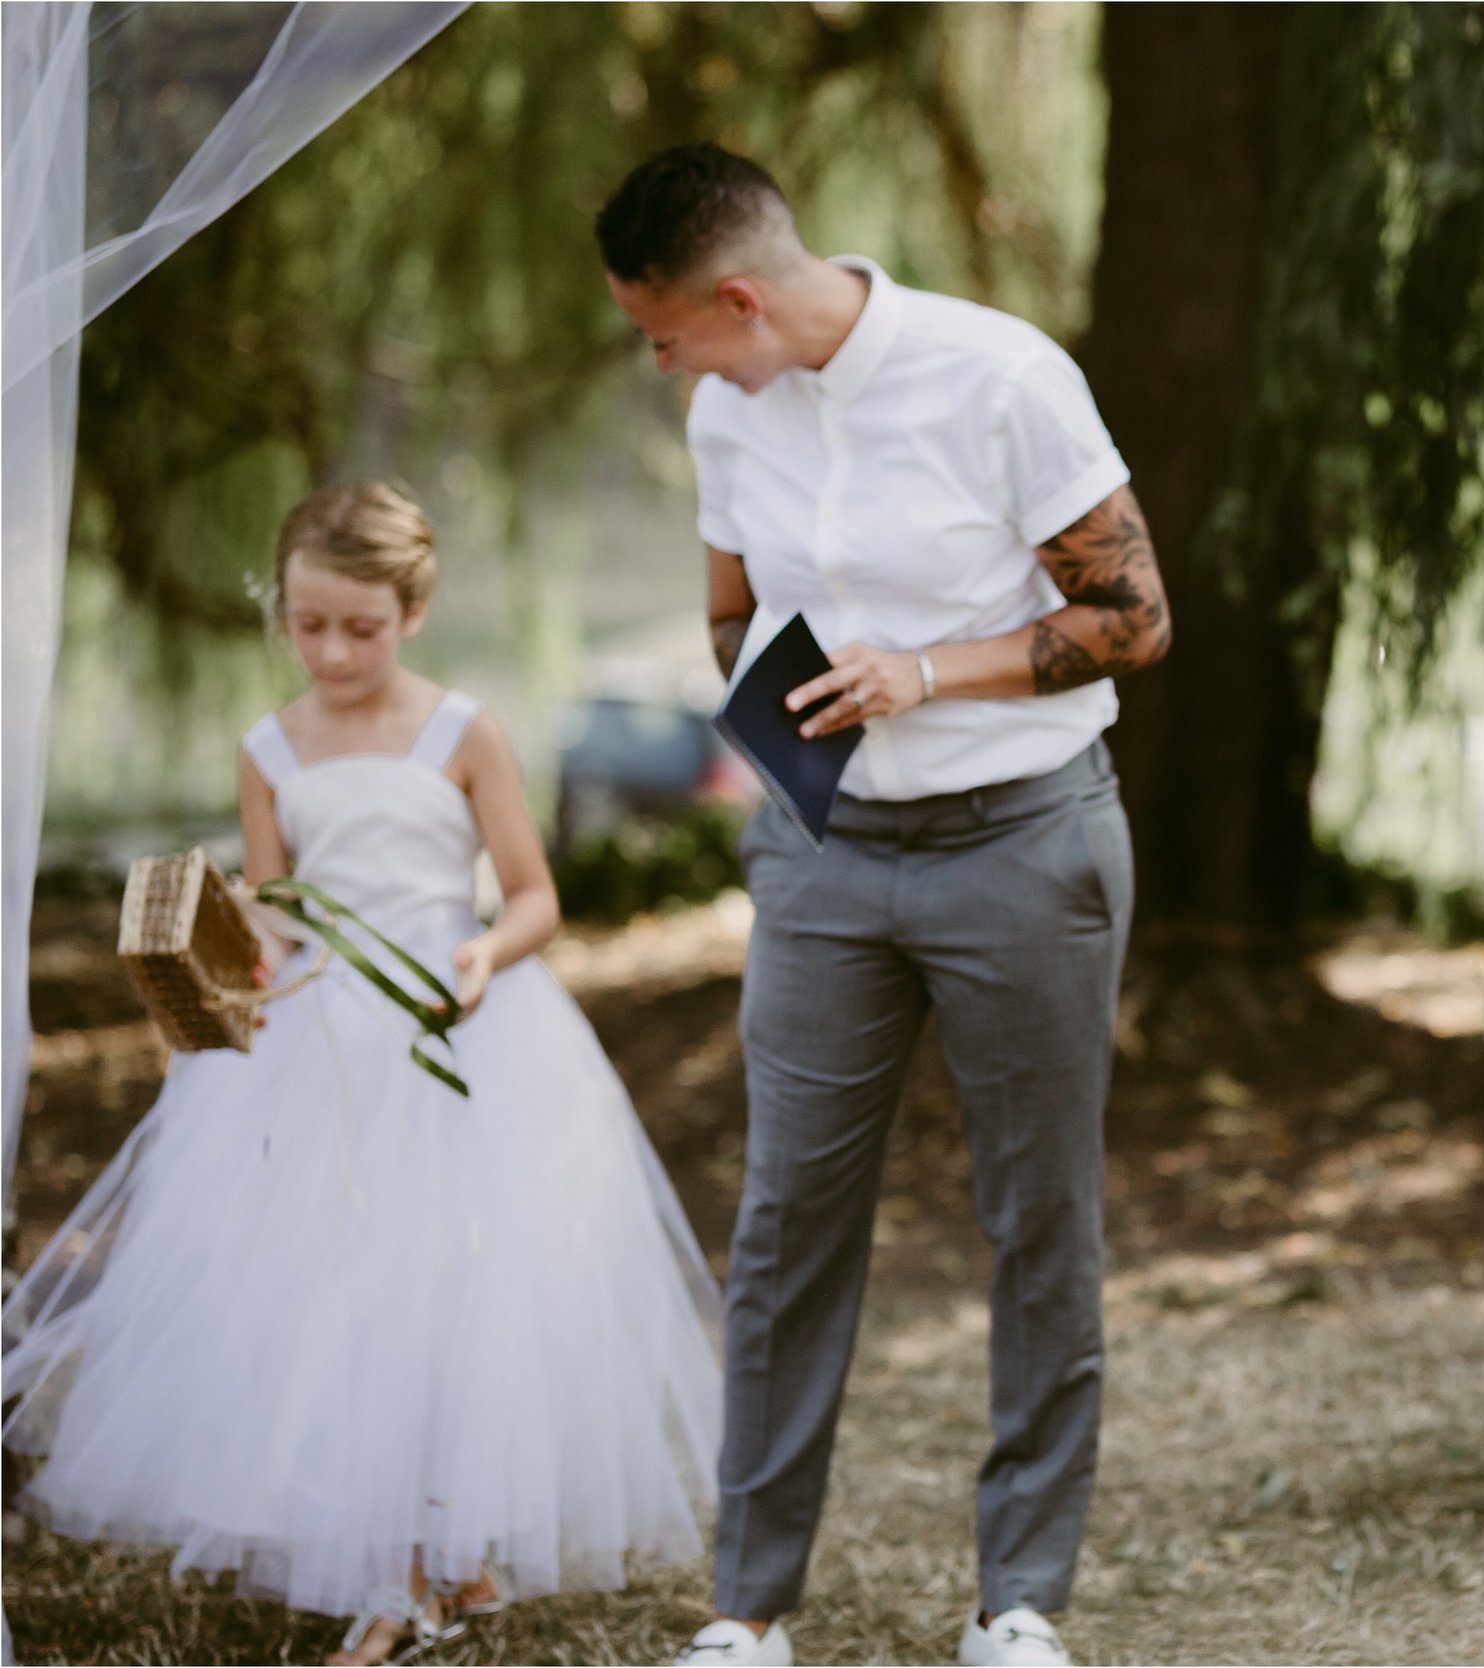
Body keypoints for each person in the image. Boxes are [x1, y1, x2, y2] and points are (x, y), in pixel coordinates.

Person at [595, 144, 1169, 1668]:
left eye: (660, 332)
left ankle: (1021, 1603)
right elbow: (730, 612)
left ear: (733, 296)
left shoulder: (1001, 377)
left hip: (1027, 846)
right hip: (825, 861)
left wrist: (931, 671)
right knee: (786, 1223)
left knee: (1038, 1217)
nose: (656, 364)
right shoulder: (728, 412)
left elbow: (1136, 616)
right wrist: (772, 741)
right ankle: (746, 1612)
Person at [0, 483, 723, 1667]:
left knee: (445, 1299)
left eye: (361, 628)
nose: (332, 652)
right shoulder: (270, 747)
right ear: (280, 612)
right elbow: (279, 919)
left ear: (414, 611)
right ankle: (392, 1556)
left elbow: (534, 894)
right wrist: (235, 967)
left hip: (457, 1033)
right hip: (321, 1049)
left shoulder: (463, 732)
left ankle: (433, 1561)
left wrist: (485, 950)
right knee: (334, 1297)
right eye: (308, 624)